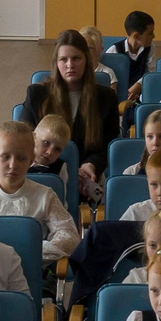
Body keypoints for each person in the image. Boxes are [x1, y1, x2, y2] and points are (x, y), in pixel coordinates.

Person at [23, 30, 121, 206]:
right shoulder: (37, 94)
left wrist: (91, 164)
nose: (70, 65)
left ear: (86, 60)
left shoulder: (106, 98)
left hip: (86, 179)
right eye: (64, 59)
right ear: (56, 62)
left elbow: (110, 145)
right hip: (43, 175)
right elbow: (24, 139)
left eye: (76, 58)